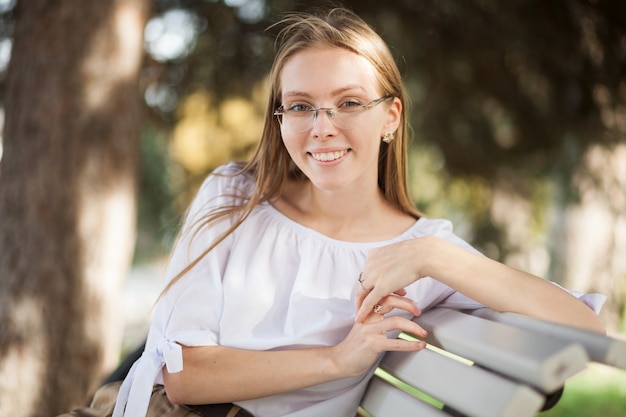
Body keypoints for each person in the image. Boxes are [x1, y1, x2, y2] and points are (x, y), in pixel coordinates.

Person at [108, 7, 605, 417]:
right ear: (279, 119)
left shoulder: (421, 253)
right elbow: (184, 377)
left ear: (390, 117)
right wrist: (338, 359)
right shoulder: (235, 196)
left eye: (348, 103)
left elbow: (586, 330)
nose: (322, 127)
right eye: (300, 106)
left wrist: (439, 256)